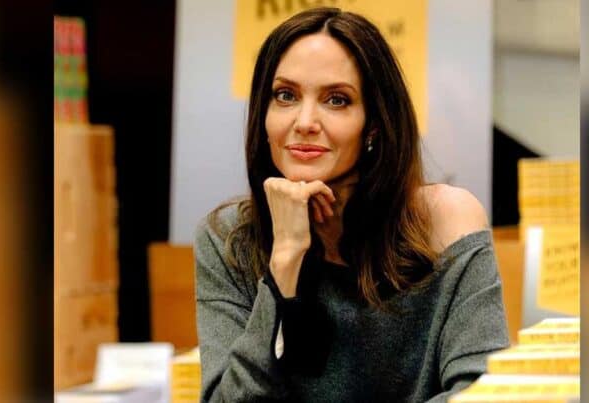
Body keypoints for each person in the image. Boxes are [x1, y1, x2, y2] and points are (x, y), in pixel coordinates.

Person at [194, 7, 509, 402]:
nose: (305, 121)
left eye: (337, 100)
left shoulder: (446, 221)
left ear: (373, 124)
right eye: (286, 95)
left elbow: (483, 392)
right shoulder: (228, 239)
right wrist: (284, 263)